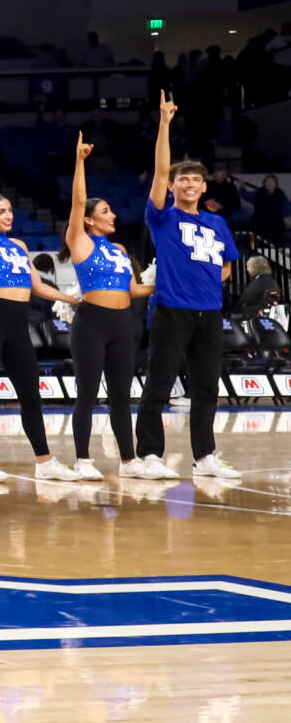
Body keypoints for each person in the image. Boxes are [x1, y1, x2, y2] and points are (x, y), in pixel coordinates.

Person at [0, 127, 82, 480]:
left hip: (19, 324)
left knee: (31, 393)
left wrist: (71, 299)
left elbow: (37, 287)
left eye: (10, 210)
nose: (8, 215)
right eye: (1, 211)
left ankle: (45, 462)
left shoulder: (16, 246)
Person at [133, 96, 239, 479]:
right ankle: (148, 455)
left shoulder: (218, 224)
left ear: (204, 185)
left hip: (209, 314)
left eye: (196, 179)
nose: (190, 183)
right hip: (171, 310)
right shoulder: (163, 218)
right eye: (183, 179)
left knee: (207, 388)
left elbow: (226, 266)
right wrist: (164, 124)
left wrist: (210, 285)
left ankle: (205, 456)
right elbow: (160, 172)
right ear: (174, 186)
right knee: (159, 384)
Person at [63, 135, 148, 480]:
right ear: (88, 220)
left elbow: (134, 289)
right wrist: (80, 161)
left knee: (121, 396)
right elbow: (78, 200)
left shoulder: (121, 250)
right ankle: (82, 460)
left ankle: (129, 461)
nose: (113, 215)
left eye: (111, 210)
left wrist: (172, 285)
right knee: (87, 394)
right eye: (104, 211)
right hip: (91, 323)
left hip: (122, 323)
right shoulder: (80, 241)